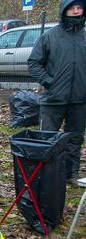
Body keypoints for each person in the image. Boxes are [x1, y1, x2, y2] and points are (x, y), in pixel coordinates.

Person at [28, 0, 86, 186]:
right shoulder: (50, 36)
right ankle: (45, 174)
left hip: (79, 99)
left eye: (79, 7)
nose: (76, 11)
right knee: (47, 139)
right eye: (72, 8)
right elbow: (34, 63)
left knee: (75, 139)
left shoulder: (84, 37)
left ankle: (70, 174)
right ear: (64, 11)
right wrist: (49, 81)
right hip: (53, 99)